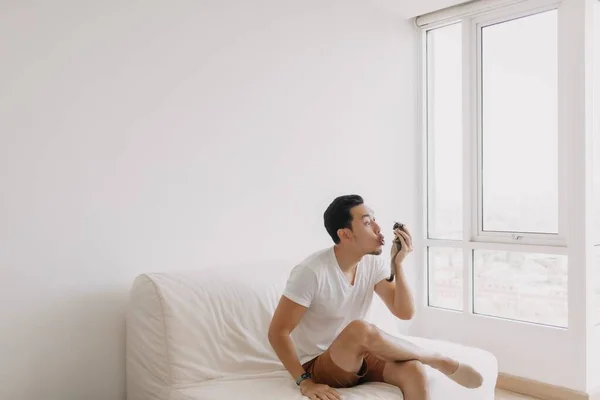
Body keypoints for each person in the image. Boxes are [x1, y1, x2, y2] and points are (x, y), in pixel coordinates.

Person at [268, 194, 483, 400]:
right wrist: (304, 381)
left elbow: (405, 312)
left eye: (375, 220)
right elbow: (277, 332)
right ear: (345, 234)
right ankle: (435, 359)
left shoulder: (371, 263)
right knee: (360, 329)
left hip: (359, 355)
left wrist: (397, 265)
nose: (378, 228)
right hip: (319, 363)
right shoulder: (312, 271)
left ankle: (425, 360)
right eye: (367, 223)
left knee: (414, 370)